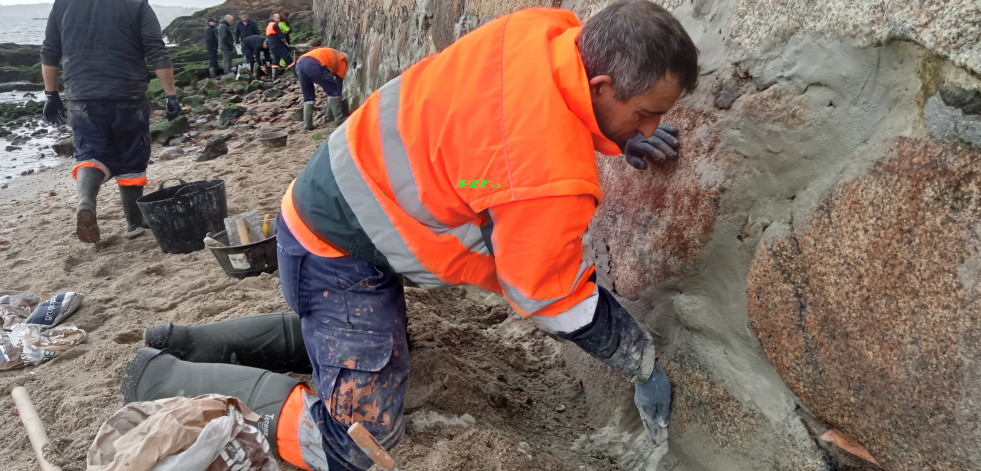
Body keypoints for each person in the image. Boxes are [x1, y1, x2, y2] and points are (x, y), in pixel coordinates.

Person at [121, 2, 698, 470]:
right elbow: (547, 294)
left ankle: (185, 340)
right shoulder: (543, 174)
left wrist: (615, 135)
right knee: (356, 444)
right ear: (599, 83)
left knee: (377, 351)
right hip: (335, 252)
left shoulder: (545, 31)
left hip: (336, 207)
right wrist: (639, 358)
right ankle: (161, 374)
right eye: (644, 114)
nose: (651, 128)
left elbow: (507, 146)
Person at [41, 0, 181, 244]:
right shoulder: (136, 4)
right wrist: (171, 95)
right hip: (126, 93)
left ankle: (86, 202)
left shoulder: (63, 4)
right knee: (131, 153)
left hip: (81, 95)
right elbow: (156, 50)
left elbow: (50, 50)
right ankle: (134, 220)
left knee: (89, 152)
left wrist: (51, 95)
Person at [294, 47, 348, 130]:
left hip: (300, 64)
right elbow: (338, 82)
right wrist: (339, 97)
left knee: (308, 95)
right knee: (334, 89)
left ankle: (308, 124)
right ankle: (339, 118)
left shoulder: (332, 53)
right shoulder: (342, 60)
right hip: (314, 64)